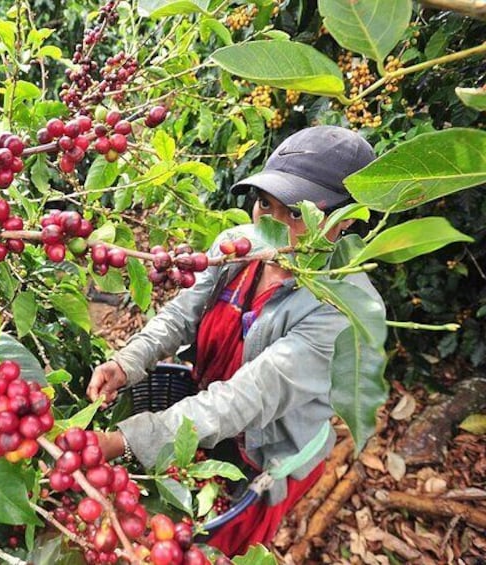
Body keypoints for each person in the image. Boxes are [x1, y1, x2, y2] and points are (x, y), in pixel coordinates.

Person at [87, 125, 383, 556]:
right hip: (208, 410)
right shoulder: (237, 248)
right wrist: (129, 361)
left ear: (346, 219)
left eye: (297, 214)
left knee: (218, 545)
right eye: (265, 204)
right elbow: (180, 316)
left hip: (270, 449)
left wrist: (126, 441)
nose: (274, 225)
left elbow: (247, 397)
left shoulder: (342, 309)